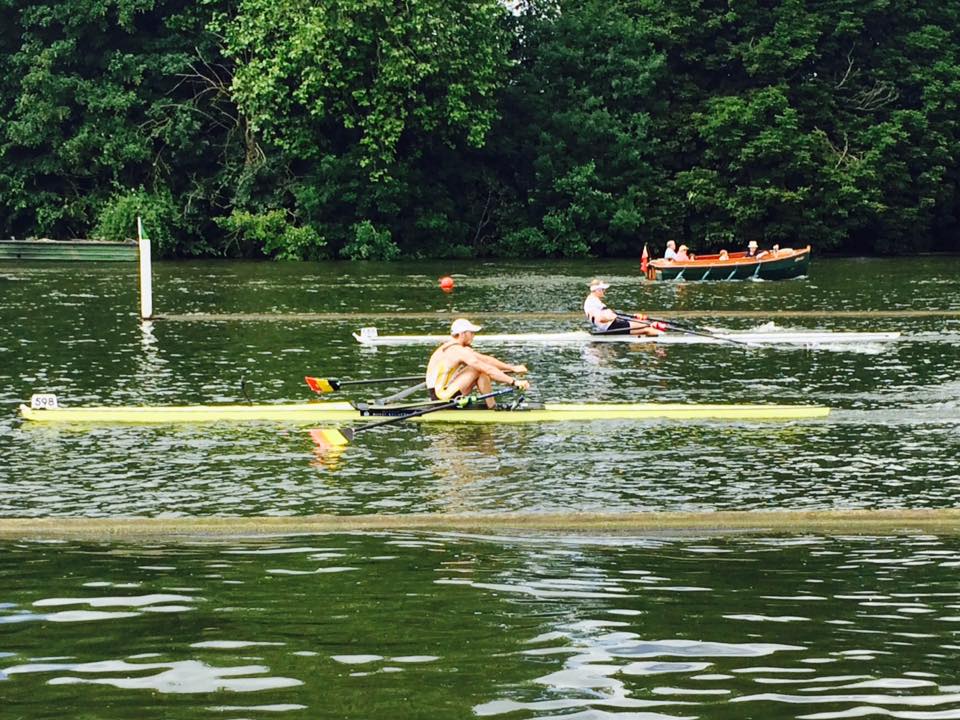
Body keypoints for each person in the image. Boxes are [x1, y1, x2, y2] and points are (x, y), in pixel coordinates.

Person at [425, 318, 530, 408]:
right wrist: (514, 382)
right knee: (479, 369)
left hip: (439, 393)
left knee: (480, 369)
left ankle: (493, 407)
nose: (473, 336)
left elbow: (486, 360)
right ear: (462, 334)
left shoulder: (450, 347)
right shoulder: (458, 351)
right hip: (441, 397)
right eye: (471, 333)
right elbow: (487, 368)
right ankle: (493, 408)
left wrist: (512, 368)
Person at [583, 279, 664, 336]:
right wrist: (611, 317)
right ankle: (664, 338)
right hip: (612, 326)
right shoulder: (593, 302)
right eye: (603, 289)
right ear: (598, 290)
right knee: (647, 326)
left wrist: (612, 315)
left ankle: (657, 338)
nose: (605, 291)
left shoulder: (591, 300)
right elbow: (600, 319)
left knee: (643, 324)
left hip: (612, 325)